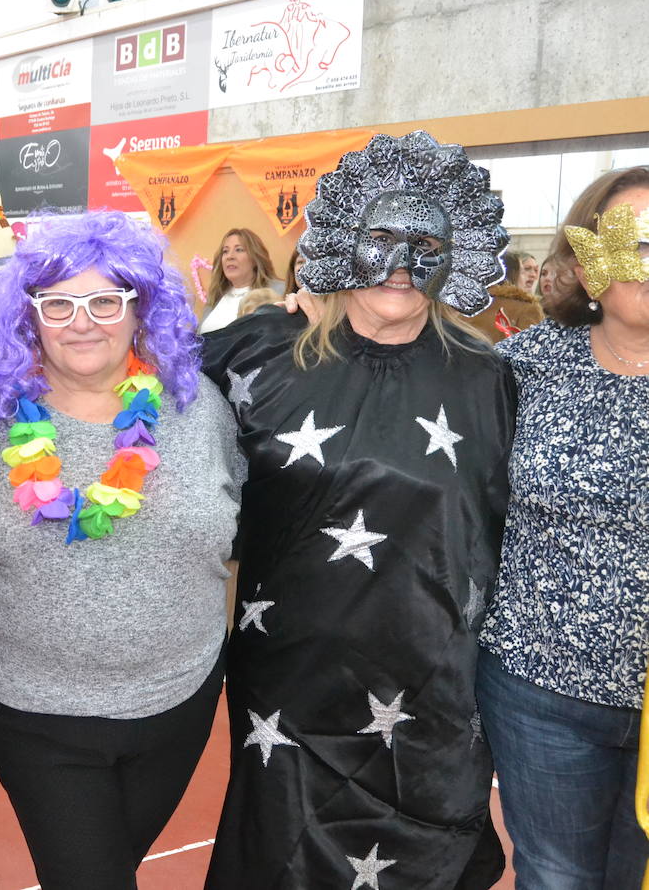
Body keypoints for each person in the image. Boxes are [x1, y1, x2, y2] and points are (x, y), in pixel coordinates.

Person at [201, 131, 514, 888]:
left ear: (457, 254)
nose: (402, 266)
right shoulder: (256, 355)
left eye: (424, 244)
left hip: (431, 699)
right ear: (342, 243)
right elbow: (128, 402)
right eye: (380, 239)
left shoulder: (492, 379)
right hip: (290, 696)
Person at [0, 210, 244, 889]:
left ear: (141, 308)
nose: (82, 321)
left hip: (179, 699)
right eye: (59, 303)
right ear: (28, 316)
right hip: (37, 713)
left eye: (104, 300)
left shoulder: (198, 406)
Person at [477, 165, 649, 887]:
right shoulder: (526, 365)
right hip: (540, 687)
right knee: (557, 876)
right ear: (587, 260)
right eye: (632, 243)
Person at [198, 227, 283, 333]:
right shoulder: (215, 297)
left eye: (239, 250)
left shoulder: (279, 291)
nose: (230, 256)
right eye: (225, 251)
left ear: (255, 258)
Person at [463, 251, 544, 342]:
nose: (532, 275)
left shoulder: (463, 305)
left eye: (536, 270)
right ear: (514, 274)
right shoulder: (526, 308)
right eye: (523, 271)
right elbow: (534, 349)